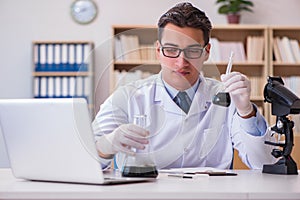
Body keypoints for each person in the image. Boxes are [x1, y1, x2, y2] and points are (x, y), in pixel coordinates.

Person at [92, 2, 274, 170]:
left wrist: (246, 111)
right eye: (171, 50)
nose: (181, 62)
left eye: (193, 51)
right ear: (158, 51)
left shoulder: (227, 98)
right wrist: (105, 146)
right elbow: (85, 161)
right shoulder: (127, 97)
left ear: (207, 52)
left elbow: (264, 163)